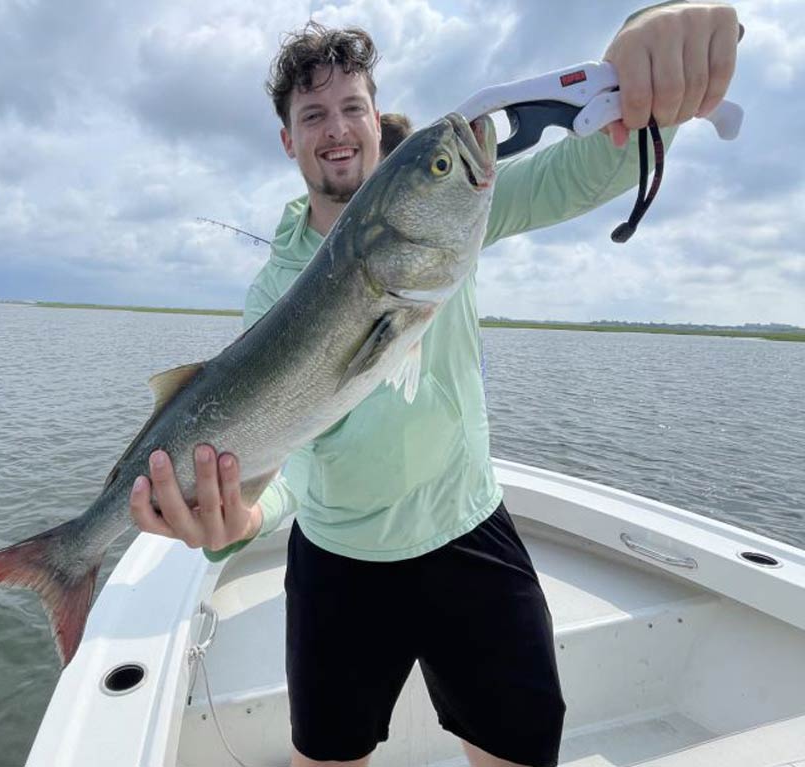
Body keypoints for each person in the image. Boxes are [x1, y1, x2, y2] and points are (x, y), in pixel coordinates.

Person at [131, 5, 741, 766]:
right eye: (312, 114)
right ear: (289, 140)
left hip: (466, 526)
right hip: (339, 556)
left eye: (351, 107)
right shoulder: (273, 291)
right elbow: (284, 455)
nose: (335, 127)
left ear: (376, 120)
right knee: (325, 757)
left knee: (519, 750)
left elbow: (589, 170)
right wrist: (241, 517)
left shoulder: (446, 207)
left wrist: (654, 39)